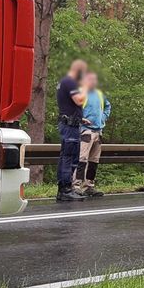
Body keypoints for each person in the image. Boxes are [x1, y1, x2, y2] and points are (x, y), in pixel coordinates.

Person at [55, 58, 88, 202]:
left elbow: (69, 105)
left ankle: (66, 188)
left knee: (69, 157)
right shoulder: (70, 82)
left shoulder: (65, 81)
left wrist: (80, 119)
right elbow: (79, 100)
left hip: (70, 123)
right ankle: (65, 189)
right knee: (68, 157)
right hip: (69, 126)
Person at [76, 71, 111, 197]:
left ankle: (89, 186)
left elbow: (107, 106)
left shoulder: (100, 94)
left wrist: (103, 118)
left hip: (98, 130)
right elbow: (73, 109)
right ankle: (76, 186)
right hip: (86, 130)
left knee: (94, 161)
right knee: (82, 159)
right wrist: (81, 119)